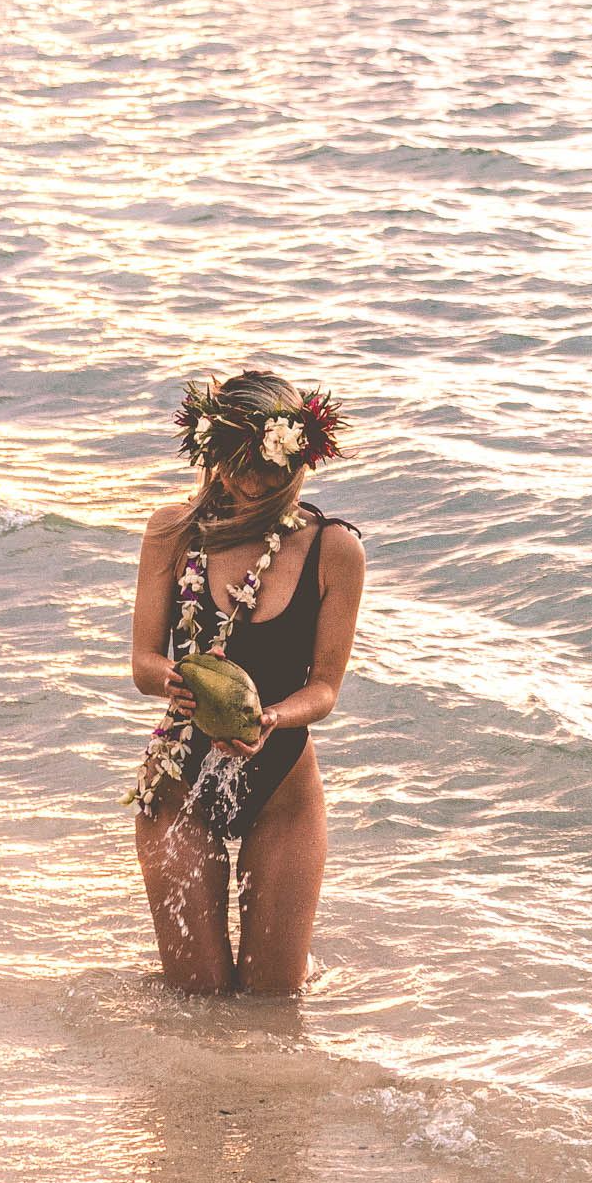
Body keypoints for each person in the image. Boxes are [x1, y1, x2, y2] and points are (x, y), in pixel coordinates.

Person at [129, 369, 365, 995]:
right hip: (179, 786)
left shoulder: (335, 549)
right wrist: (174, 679)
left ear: (300, 461)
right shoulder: (174, 531)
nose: (255, 486)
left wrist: (272, 719)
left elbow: (325, 690)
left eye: (271, 471)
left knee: (272, 1005)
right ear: (214, 458)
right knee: (195, 1003)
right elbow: (143, 663)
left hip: (283, 793)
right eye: (240, 468)